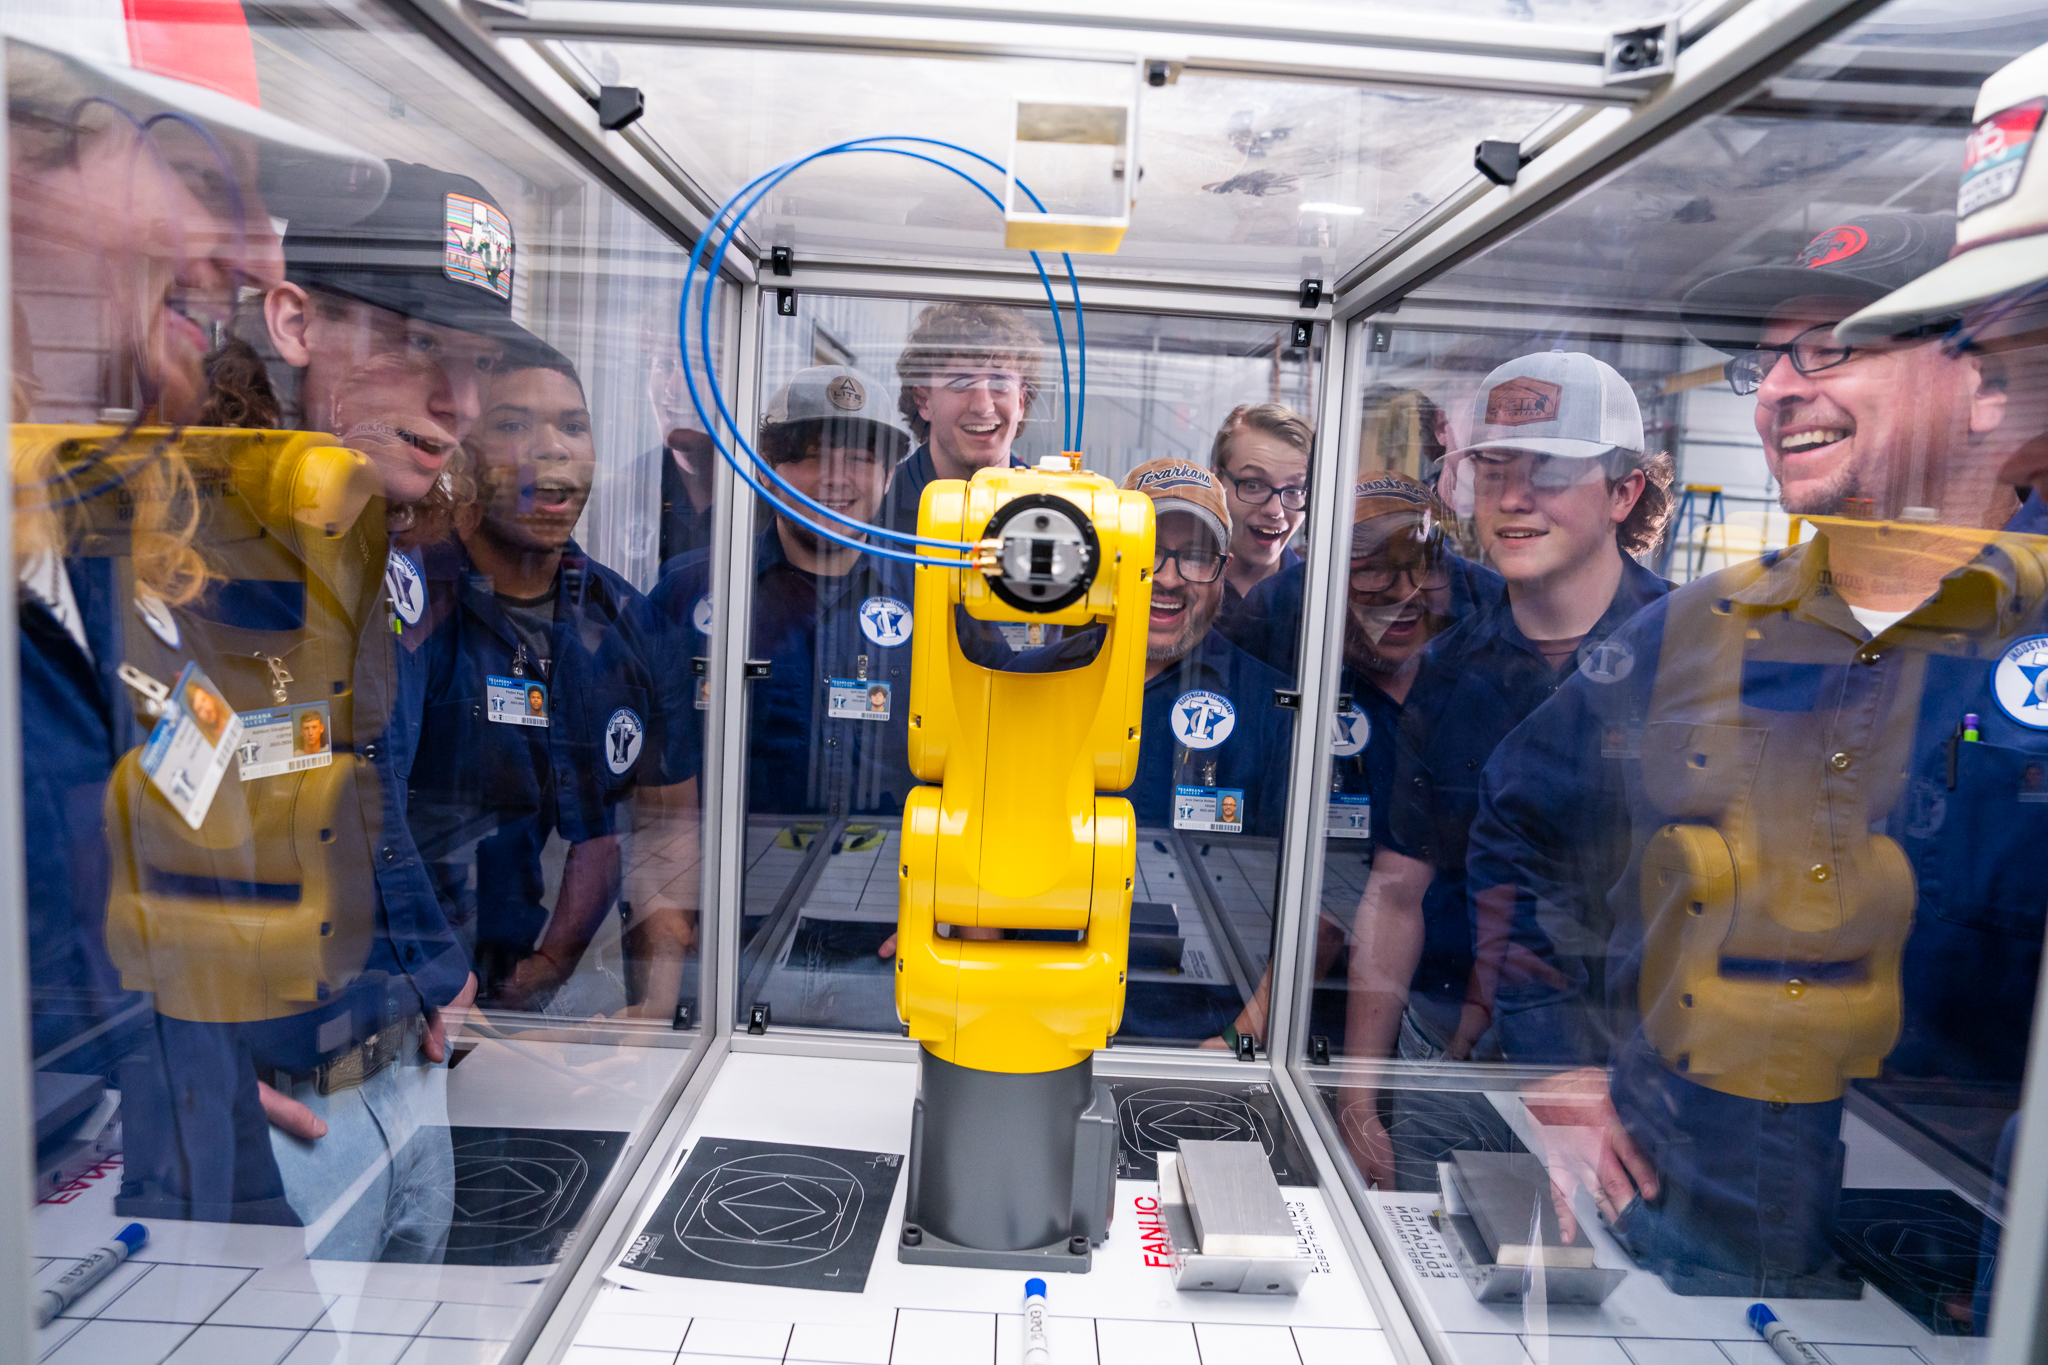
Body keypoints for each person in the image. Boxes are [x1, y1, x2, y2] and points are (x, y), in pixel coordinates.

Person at [1468, 210, 2035, 1297]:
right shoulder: (1694, 630)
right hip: (1677, 1222)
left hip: (1971, 1265)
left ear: (1984, 380)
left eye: (1830, 349)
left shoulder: (2030, 633)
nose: (1776, 389)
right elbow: (1519, 819)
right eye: (1763, 360)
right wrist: (1558, 1062)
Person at [1335, 354, 1673, 1187]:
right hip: (1453, 1058)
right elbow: (1395, 889)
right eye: (1494, 469)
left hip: (1634, 1085)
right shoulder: (1449, 674)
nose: (1515, 499)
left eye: (1552, 473)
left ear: (1625, 493)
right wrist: (1357, 1091)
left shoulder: (1693, 655)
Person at [1208, 471, 1504, 1058]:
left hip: (1458, 995)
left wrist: (1478, 1011)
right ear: (1325, 581)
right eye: (1368, 571)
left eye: (1420, 566)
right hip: (1297, 992)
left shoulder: (1490, 623)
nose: (1400, 595)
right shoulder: (1277, 617)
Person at [409, 344, 666, 1016]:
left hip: (531, 1006)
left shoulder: (622, 618)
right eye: (514, 424)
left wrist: (552, 966)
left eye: (573, 426)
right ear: (462, 452)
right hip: (407, 993)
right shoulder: (409, 602)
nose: (551, 449)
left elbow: (631, 824)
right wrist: (432, 984)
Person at [657, 367, 920, 1016]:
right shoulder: (691, 592)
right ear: (766, 469)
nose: (836, 478)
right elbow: (654, 789)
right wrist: (666, 918)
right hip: (722, 943)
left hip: (886, 952)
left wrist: (940, 912)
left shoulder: (935, 604)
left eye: (859, 458)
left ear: (887, 477)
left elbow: (980, 772)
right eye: (808, 456)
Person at [880, 302, 1043, 534]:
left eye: (1000, 384)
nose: (983, 407)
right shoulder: (878, 508)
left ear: (1020, 402)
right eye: (961, 383)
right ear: (923, 400)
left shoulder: (1050, 510)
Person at [1210, 403, 1313, 614]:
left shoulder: (1315, 595)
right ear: (1215, 481)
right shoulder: (1178, 582)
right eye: (1253, 485)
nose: (1275, 511)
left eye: (1294, 490)